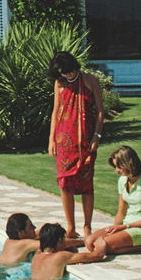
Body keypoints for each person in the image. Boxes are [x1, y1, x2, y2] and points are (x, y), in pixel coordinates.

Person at [47, 52, 103, 238]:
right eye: (64, 73)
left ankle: (87, 225)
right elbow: (55, 112)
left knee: (87, 183)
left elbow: (100, 112)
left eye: (70, 72)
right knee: (64, 183)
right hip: (64, 141)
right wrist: (51, 139)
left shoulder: (90, 80)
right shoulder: (59, 84)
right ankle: (71, 226)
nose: (68, 76)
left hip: (85, 141)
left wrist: (97, 136)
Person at [85, 145, 141, 258]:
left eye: (119, 167)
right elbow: (121, 212)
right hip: (126, 226)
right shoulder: (122, 180)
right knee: (89, 242)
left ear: (128, 164)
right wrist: (115, 229)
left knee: (103, 247)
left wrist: (124, 227)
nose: (116, 170)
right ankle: (132, 246)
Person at [0, 213, 82, 268]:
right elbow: (52, 243)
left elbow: (37, 233)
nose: (34, 227)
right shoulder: (25, 244)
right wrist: (83, 241)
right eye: (31, 226)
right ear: (21, 232)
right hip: (1, 271)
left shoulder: (10, 240)